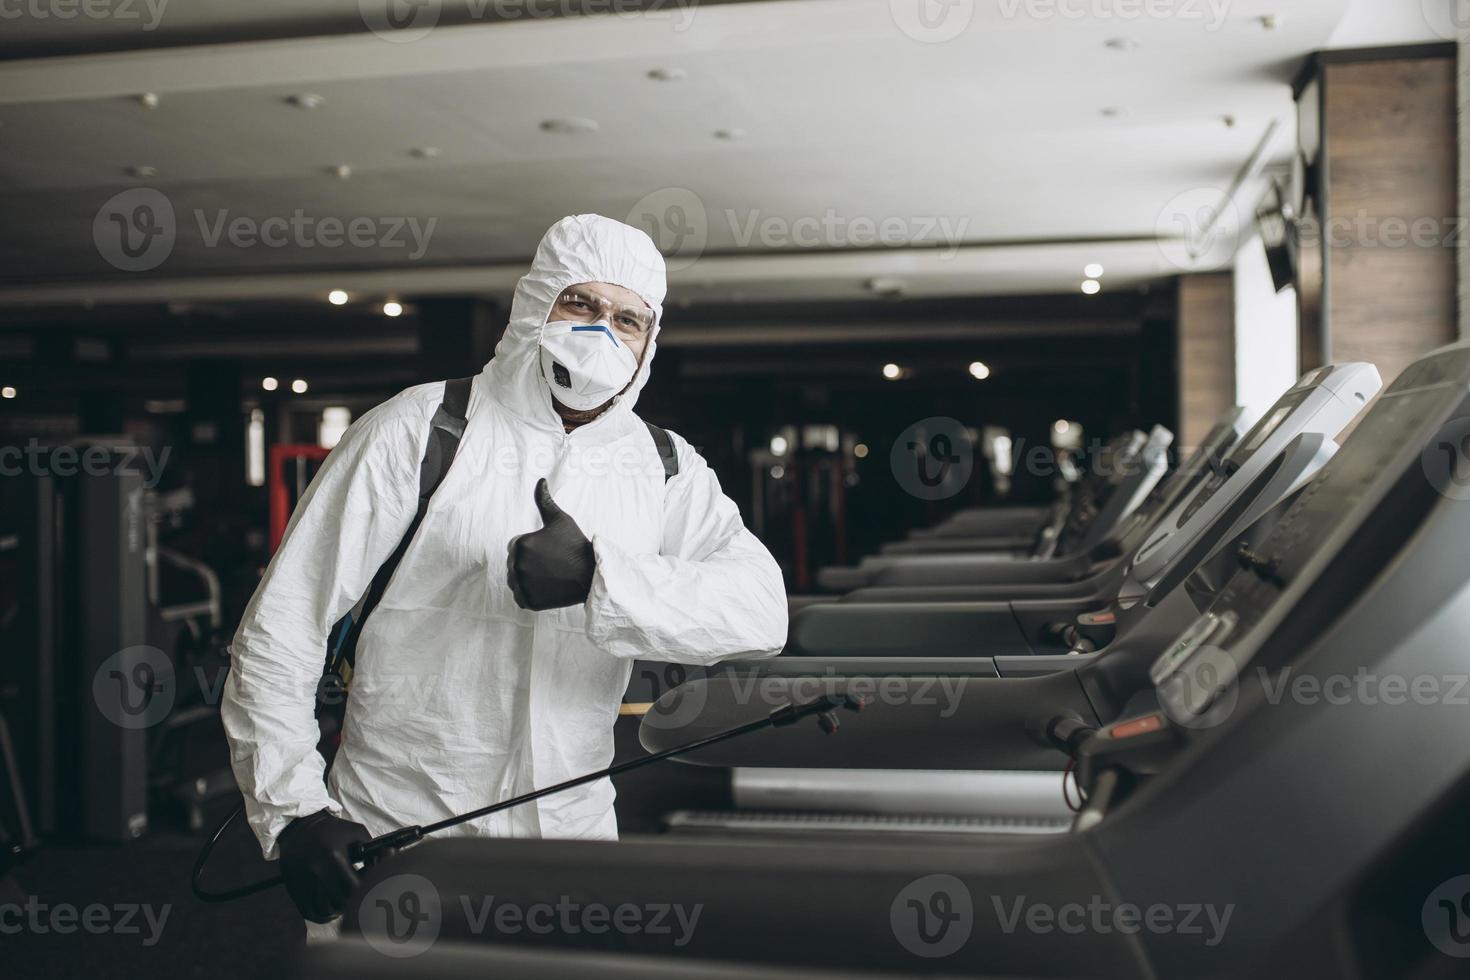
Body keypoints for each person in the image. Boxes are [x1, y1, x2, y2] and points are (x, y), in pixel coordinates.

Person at [221, 214, 788, 940]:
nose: (599, 332)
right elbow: (281, 631)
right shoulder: (421, 430)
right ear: (534, 305)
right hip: (401, 832)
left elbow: (760, 612)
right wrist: (293, 811)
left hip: (574, 839)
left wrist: (600, 581)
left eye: (627, 318)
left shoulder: (665, 468)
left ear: (650, 340)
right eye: (579, 304)